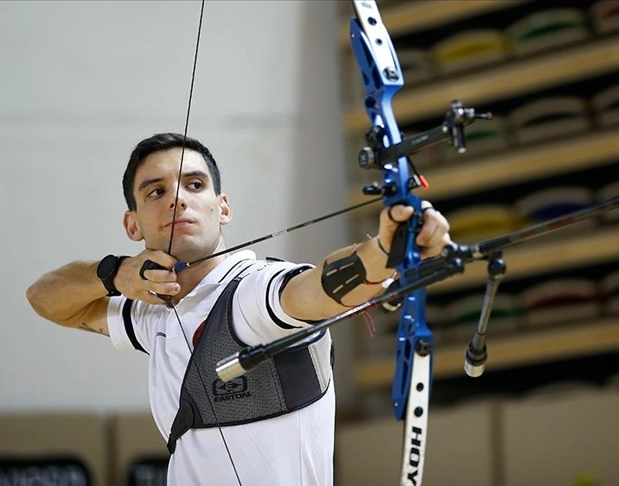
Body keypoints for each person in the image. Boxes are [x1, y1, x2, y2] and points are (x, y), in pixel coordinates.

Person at [25, 132, 452, 486]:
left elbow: (317, 289)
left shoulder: (255, 292)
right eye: (156, 191)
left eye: (195, 185)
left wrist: (385, 252)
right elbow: (45, 298)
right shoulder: (151, 311)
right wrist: (114, 274)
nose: (177, 199)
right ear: (132, 224)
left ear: (222, 207)